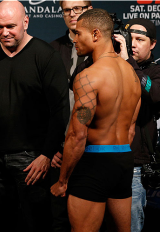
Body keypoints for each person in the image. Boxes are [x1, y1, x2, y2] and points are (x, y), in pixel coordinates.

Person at [0, 1, 70, 231]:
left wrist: (46, 154)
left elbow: (60, 111)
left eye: (11, 26)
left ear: (26, 22)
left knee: (37, 222)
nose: (5, 32)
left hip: (34, 159)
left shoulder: (46, 56)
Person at [51, 9, 141, 232]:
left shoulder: (89, 77)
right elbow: (130, 132)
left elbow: (77, 135)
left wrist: (63, 181)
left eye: (78, 34)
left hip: (94, 163)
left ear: (95, 34)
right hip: (123, 161)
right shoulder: (132, 75)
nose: (74, 40)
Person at [113, 18, 160, 232]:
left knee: (130, 226)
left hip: (135, 165)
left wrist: (127, 62)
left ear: (152, 44)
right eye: (130, 38)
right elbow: (75, 79)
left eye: (140, 39)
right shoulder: (112, 63)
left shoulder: (155, 72)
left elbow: (151, 92)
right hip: (104, 158)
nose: (132, 44)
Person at [49, 1, 92, 230]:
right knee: (60, 221)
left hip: (95, 152)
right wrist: (53, 148)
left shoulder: (107, 51)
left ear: (90, 8)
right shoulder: (52, 49)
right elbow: (43, 106)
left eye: (79, 8)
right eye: (67, 10)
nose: (73, 14)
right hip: (60, 152)